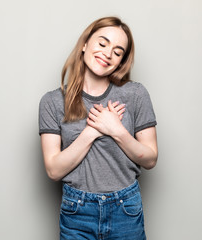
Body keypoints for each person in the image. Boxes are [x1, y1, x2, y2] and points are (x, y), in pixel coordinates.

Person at [38, 16, 158, 240]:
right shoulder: (52, 102)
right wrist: (92, 131)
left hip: (126, 210)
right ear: (84, 44)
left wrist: (116, 130)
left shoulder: (135, 94)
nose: (108, 53)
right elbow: (54, 170)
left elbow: (150, 159)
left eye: (118, 51)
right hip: (77, 212)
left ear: (121, 61)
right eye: (102, 43)